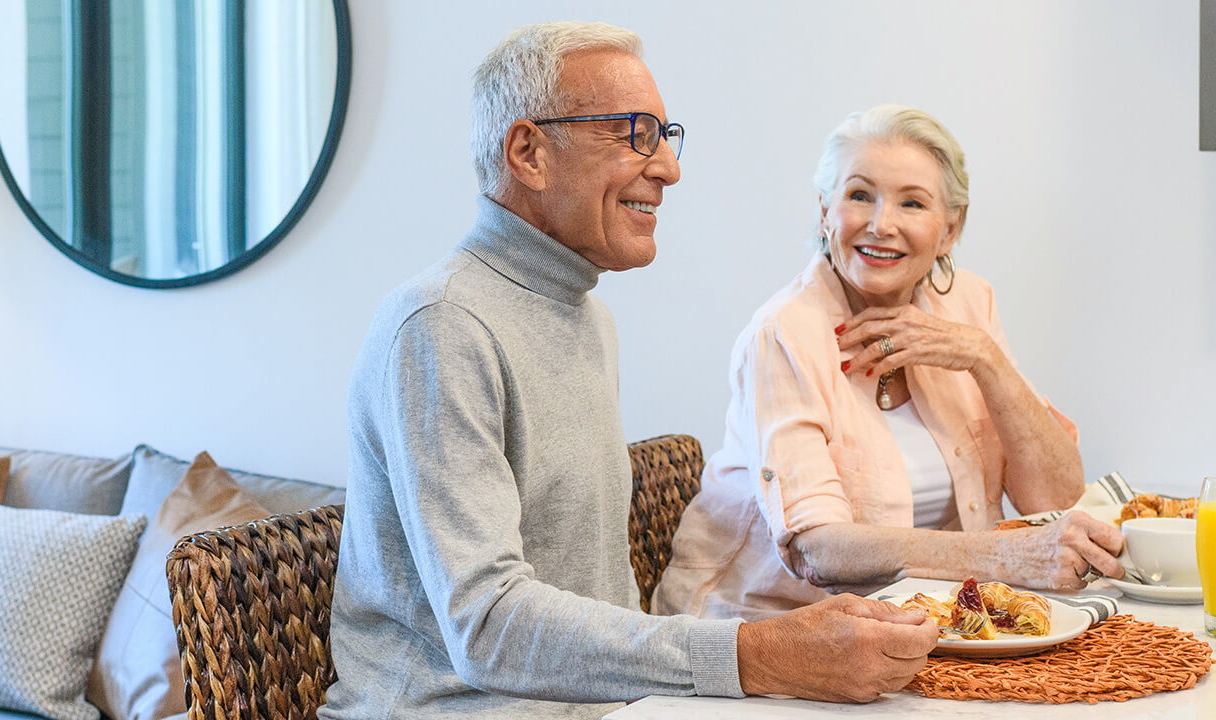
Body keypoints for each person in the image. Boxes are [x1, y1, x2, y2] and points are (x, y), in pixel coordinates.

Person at [318, 24, 939, 719]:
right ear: (528, 152)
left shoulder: (586, 318)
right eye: (633, 133)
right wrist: (755, 654)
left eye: (666, 134)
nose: (669, 168)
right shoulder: (440, 324)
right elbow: (487, 626)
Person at [652, 105, 1124, 622]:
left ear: (950, 230)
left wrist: (983, 358)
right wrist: (1005, 560)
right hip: (762, 632)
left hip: (920, 628)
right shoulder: (783, 335)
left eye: (912, 204)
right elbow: (819, 550)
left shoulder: (969, 304)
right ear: (825, 211)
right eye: (859, 196)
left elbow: (1056, 498)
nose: (881, 225)